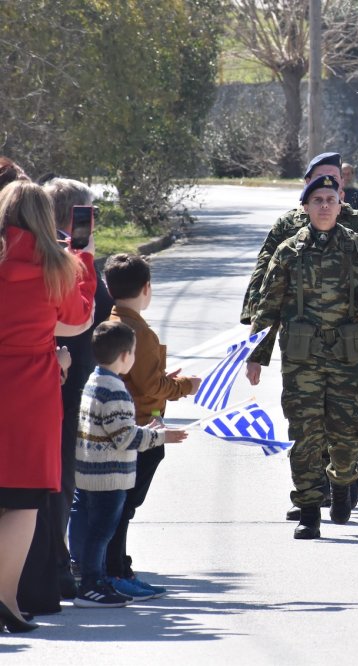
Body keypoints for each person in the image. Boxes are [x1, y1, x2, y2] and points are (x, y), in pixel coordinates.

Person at [241, 152, 358, 521]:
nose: (326, 202)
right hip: (302, 351)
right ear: (306, 194)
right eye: (319, 194)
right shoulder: (289, 238)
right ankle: (310, 505)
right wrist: (256, 348)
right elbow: (266, 282)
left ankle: (343, 480)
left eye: (333, 192)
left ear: (342, 193)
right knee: (305, 431)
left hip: (351, 346)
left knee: (349, 425)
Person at [0, 180, 97, 632]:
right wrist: (87, 258)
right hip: (31, 391)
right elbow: (78, 321)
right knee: (22, 501)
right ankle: (6, 599)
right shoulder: (58, 266)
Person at [99, 253, 201, 599]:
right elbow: (150, 387)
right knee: (124, 506)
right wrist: (185, 386)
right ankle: (115, 572)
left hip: (125, 424)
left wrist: (162, 379)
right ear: (147, 288)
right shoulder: (137, 331)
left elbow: (142, 376)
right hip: (141, 427)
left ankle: (116, 568)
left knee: (120, 504)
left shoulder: (111, 320)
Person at [70, 321, 187, 608]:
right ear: (124, 356)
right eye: (133, 353)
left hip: (89, 471)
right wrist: (161, 437)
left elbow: (112, 428)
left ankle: (92, 580)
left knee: (95, 529)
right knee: (102, 532)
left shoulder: (94, 382)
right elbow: (125, 438)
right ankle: (92, 585)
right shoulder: (116, 390)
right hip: (109, 475)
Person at [45, 179, 114, 602]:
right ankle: (58, 563)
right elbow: (87, 315)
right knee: (61, 480)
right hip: (63, 386)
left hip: (66, 382)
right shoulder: (65, 262)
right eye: (86, 213)